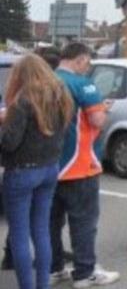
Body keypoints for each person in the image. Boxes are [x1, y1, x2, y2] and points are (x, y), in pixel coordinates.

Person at [49, 42, 120, 287]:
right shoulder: (83, 84)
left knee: (51, 222)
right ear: (79, 60)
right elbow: (97, 119)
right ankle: (84, 272)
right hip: (80, 165)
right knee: (83, 223)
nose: (87, 67)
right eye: (87, 62)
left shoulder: (47, 80)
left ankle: (54, 267)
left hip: (50, 165)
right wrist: (105, 110)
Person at [1, 54, 73, 289]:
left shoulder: (23, 101)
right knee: (41, 230)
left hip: (21, 172)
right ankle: (42, 284)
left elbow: (9, 142)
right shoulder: (60, 96)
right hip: (49, 169)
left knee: (20, 234)